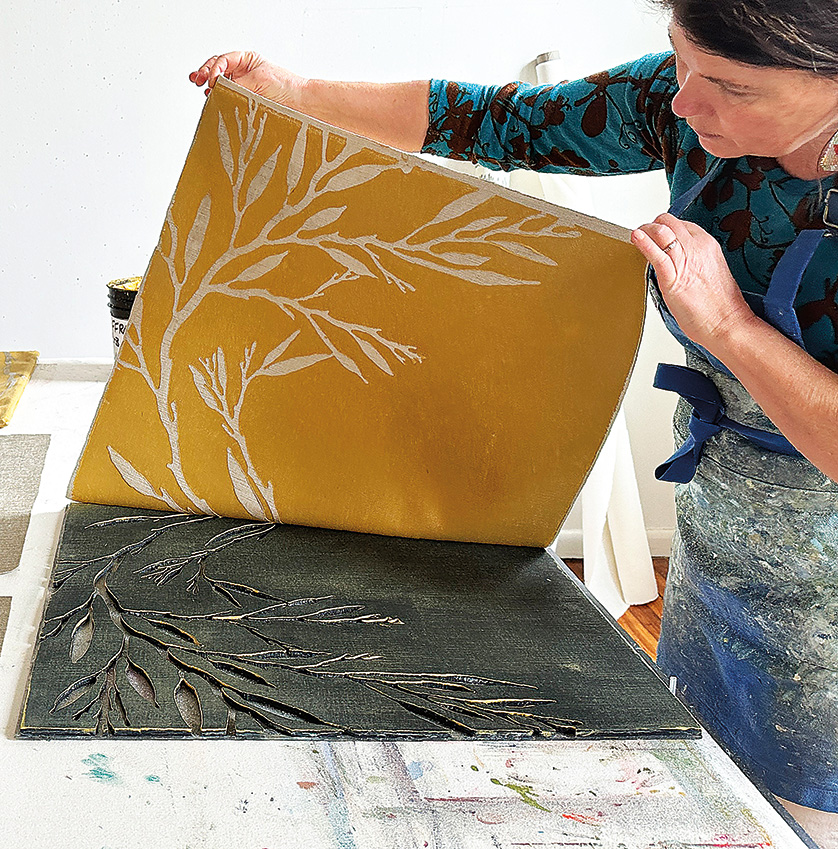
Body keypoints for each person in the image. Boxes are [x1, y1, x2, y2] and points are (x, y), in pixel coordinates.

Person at [190, 1, 838, 843]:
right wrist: (292, 89)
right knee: (716, 786)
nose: (683, 102)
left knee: (802, 816)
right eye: (678, 59)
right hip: (722, 541)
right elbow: (502, 121)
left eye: (730, 86)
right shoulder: (686, 104)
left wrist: (730, 328)